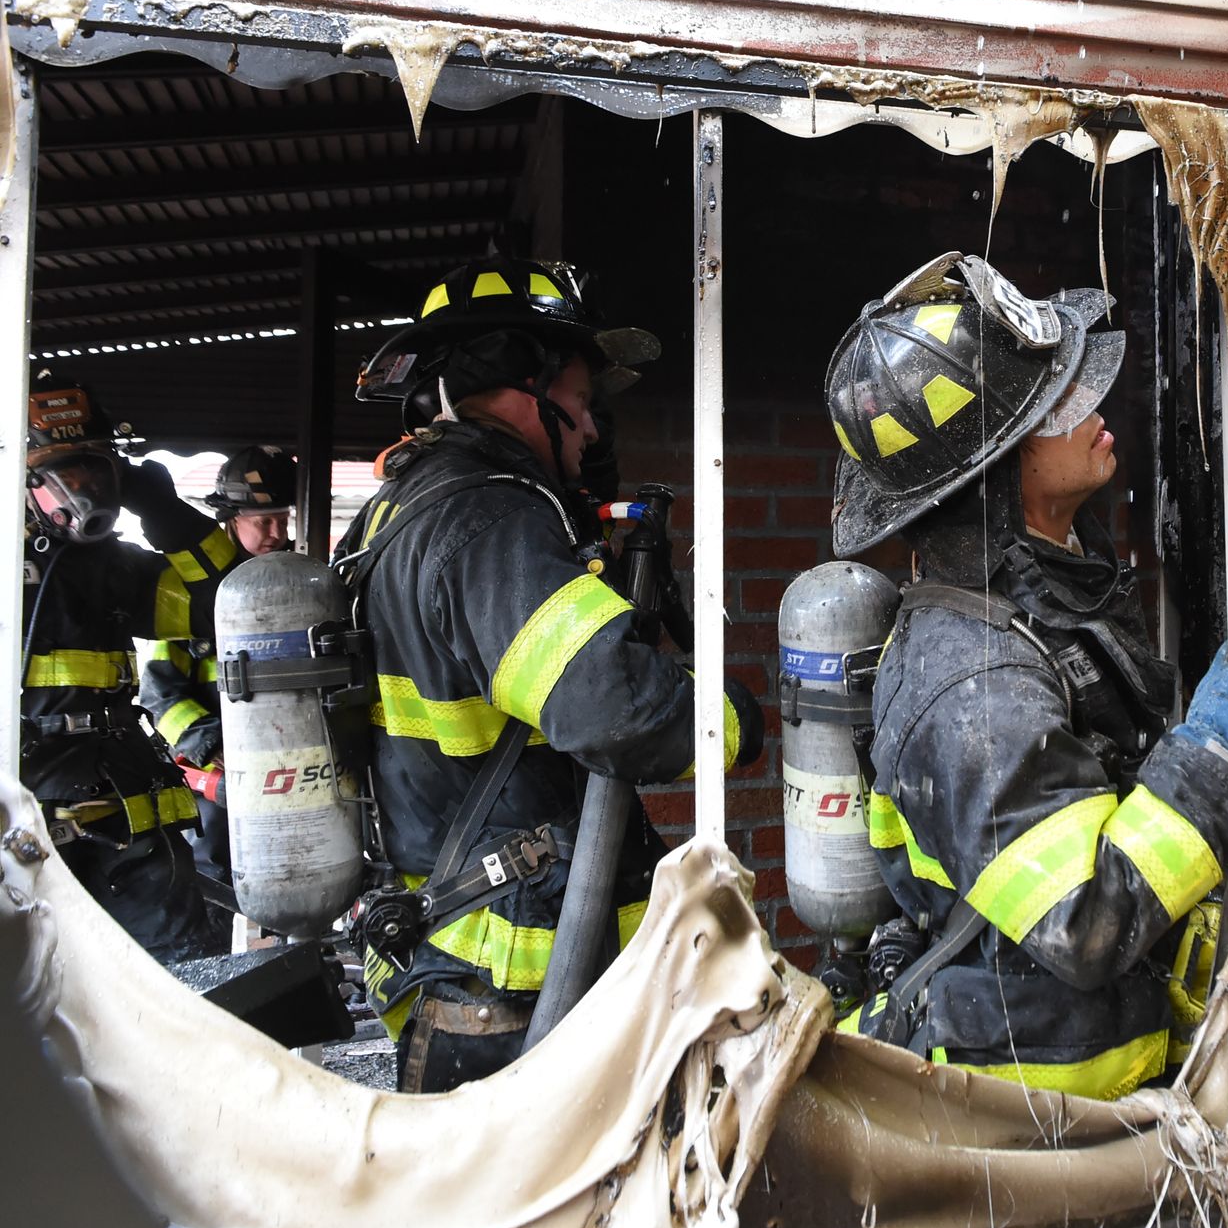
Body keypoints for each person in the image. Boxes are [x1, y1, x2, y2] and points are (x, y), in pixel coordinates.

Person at [823, 252, 1228, 1099]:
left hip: (1102, 1102)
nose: (1094, 408)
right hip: (1032, 1136)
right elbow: (1083, 922)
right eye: (1057, 404)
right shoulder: (972, 675)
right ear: (993, 472)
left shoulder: (1040, 600)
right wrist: (1214, 756)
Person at [341, 257, 763, 1092]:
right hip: (518, 986)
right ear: (519, 383)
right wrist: (734, 719)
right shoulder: (488, 515)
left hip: (456, 960)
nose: (592, 428)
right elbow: (612, 706)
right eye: (578, 400)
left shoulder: (397, 507)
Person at [20, 369, 240, 961]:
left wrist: (167, 514)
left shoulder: (113, 568)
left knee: (184, 987)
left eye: (96, 469)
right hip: (26, 825)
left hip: (129, 823)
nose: (85, 491)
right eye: (66, 475)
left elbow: (228, 603)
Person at [140, 445, 297, 889]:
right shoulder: (189, 593)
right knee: (214, 875)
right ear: (230, 521)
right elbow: (159, 692)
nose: (276, 532)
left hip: (283, 764)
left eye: (283, 521)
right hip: (215, 773)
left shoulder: (295, 586)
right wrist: (209, 745)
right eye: (264, 521)